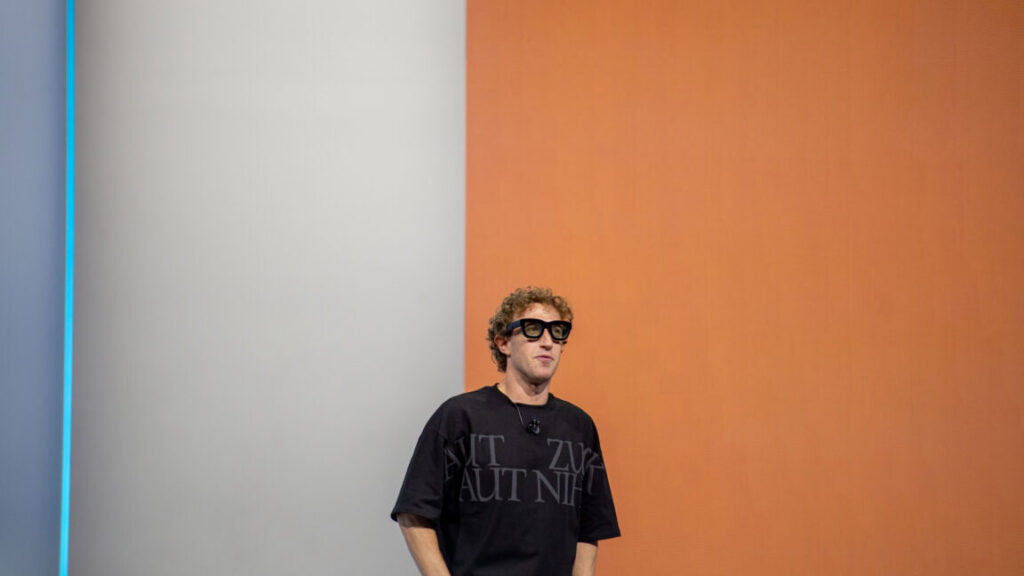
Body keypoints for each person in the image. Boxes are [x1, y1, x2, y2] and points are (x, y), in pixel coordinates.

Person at [391, 286, 620, 576]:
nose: (548, 342)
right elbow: (414, 513)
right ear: (503, 343)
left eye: (557, 332)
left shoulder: (579, 426)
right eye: (534, 329)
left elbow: (589, 528)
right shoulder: (460, 416)